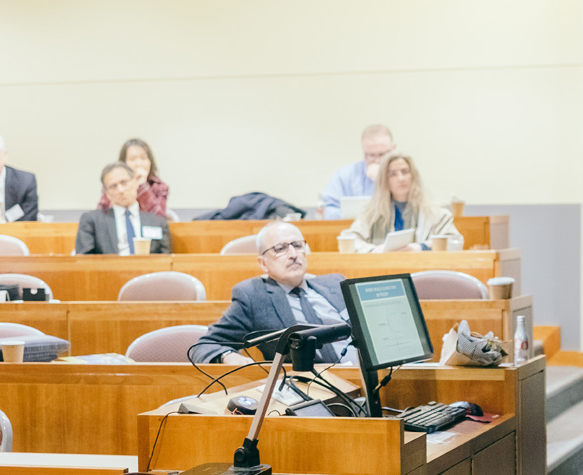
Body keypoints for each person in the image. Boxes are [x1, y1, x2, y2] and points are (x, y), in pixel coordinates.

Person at [190, 221, 354, 365]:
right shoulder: (253, 296)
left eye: (297, 246)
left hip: (362, 372)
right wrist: (228, 356)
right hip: (312, 383)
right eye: (280, 249)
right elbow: (206, 345)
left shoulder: (335, 283)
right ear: (263, 263)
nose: (293, 255)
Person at [347, 153, 462, 253]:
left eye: (405, 171)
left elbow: (455, 241)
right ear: (385, 181)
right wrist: (374, 250)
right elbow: (349, 240)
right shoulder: (371, 214)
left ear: (413, 176)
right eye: (393, 174)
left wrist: (422, 247)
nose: (401, 178)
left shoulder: (436, 213)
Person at [75, 162, 171, 255]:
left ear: (135, 182)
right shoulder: (93, 221)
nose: (120, 190)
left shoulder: (157, 222)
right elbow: (85, 260)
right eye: (113, 186)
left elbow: (166, 259)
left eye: (124, 182)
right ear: (106, 193)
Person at [321, 124, 396, 219]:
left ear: (393, 150)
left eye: (382, 154)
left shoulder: (404, 175)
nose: (377, 160)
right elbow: (327, 210)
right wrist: (359, 219)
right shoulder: (345, 175)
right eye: (371, 155)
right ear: (364, 153)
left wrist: (381, 180)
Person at [97, 138, 169, 218]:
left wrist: (142, 186)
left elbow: (159, 219)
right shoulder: (113, 184)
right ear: (123, 163)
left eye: (143, 158)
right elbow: (100, 217)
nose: (138, 164)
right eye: (132, 159)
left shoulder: (159, 186)